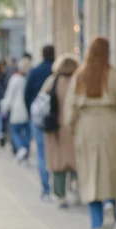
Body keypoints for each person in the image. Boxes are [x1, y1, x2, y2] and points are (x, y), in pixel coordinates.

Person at [64, 36, 116, 229]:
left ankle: (96, 225)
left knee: (88, 173)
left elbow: (70, 108)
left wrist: (71, 126)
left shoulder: (80, 76)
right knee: (109, 170)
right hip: (110, 125)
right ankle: (109, 203)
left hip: (86, 125)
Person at [40, 54, 80, 209]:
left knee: (58, 164)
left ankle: (60, 196)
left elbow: (41, 102)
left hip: (55, 129)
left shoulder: (52, 81)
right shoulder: (78, 82)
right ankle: (76, 188)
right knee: (77, 162)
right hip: (74, 128)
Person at [25, 45, 56, 200]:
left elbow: (27, 93)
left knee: (42, 153)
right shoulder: (57, 72)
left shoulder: (35, 71)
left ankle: (45, 188)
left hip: (38, 118)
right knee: (56, 152)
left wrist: (30, 112)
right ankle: (58, 187)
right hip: (56, 118)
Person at [1, 55, 32, 161]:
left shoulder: (15, 78)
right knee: (27, 131)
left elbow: (9, 95)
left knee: (15, 131)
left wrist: (5, 108)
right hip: (27, 109)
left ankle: (21, 148)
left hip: (18, 109)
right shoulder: (28, 78)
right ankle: (25, 149)